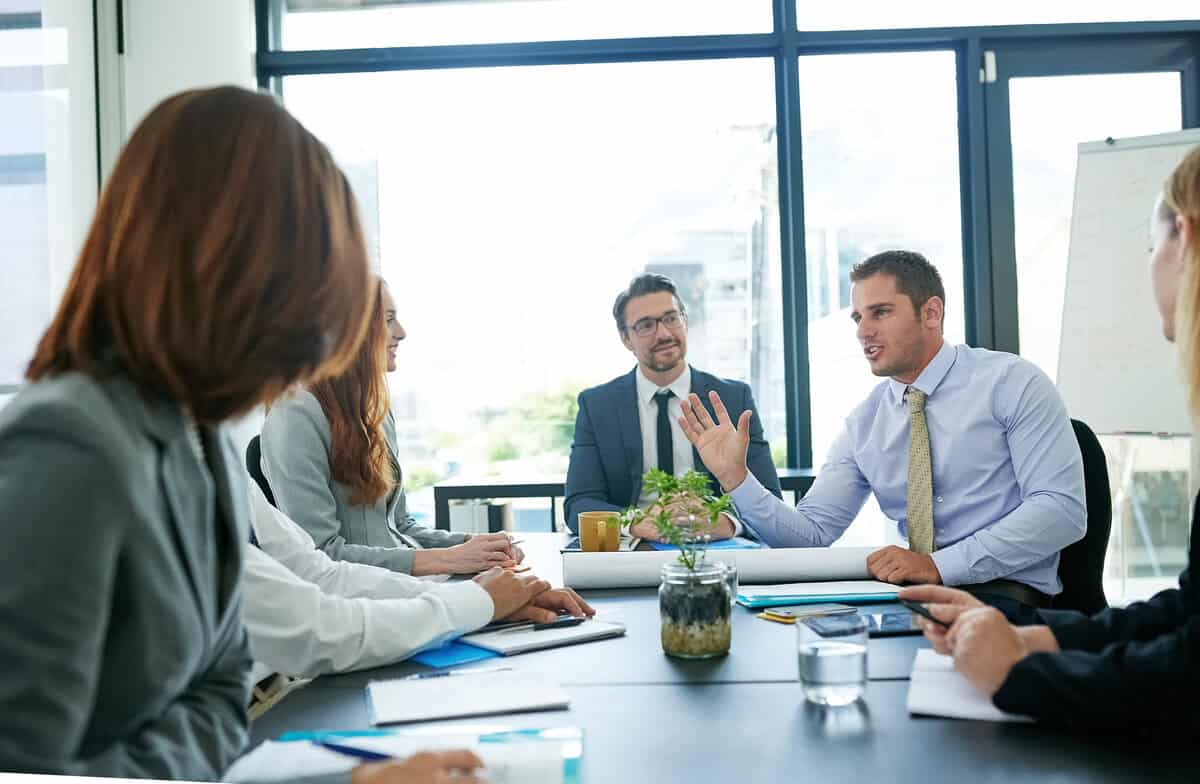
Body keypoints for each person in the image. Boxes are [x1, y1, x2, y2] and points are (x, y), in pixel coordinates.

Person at [0, 86, 375, 779]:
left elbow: (221, 693)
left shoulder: (204, 441)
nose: (308, 355)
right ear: (232, 274)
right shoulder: (68, 446)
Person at [900, 146, 1200, 730]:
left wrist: (1017, 675)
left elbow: (1186, 675)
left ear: (1183, 238)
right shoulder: (873, 416)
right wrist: (1029, 636)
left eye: (1150, 247)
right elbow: (1188, 614)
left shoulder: (1013, 386)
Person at [678, 251, 1086, 612]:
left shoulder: (1012, 383)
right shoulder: (865, 422)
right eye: (858, 317)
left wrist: (939, 566)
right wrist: (736, 479)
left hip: (1005, 598)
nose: (862, 331)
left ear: (931, 313)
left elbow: (1061, 511)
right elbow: (811, 535)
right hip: (914, 601)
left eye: (881, 312)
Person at [261, 280, 521, 575]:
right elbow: (321, 554)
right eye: (387, 320)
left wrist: (473, 545)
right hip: (363, 601)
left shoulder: (374, 413)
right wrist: (449, 560)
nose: (401, 332)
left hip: (406, 587)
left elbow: (399, 526)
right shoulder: (294, 416)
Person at [243, 480, 594, 694]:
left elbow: (320, 574)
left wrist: (488, 602)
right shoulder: (187, 484)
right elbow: (319, 632)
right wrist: (474, 602)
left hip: (284, 692)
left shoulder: (214, 453)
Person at [564, 273, 782, 540]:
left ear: (685, 321)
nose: (664, 334)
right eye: (646, 325)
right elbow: (579, 505)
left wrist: (727, 522)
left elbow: (769, 497)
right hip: (635, 549)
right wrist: (635, 523)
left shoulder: (733, 398)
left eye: (671, 318)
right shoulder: (597, 406)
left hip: (714, 547)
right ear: (626, 339)